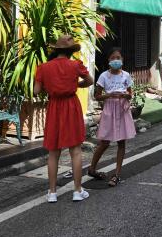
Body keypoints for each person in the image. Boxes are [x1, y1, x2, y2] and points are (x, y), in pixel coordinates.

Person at [34, 34, 94, 203]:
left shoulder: (43, 67)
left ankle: (52, 193)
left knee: (53, 153)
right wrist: (76, 85)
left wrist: (50, 86)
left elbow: (36, 91)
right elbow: (89, 80)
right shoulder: (76, 65)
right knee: (75, 151)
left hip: (54, 107)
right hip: (71, 106)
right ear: (70, 51)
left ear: (56, 50)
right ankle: (77, 191)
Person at [88, 48, 136, 187]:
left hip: (122, 109)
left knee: (121, 142)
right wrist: (109, 95)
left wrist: (125, 96)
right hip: (109, 109)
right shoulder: (103, 76)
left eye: (118, 58)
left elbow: (130, 94)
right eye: (113, 58)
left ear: (122, 60)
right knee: (105, 142)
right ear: (109, 61)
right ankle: (92, 169)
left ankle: (117, 174)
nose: (116, 60)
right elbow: (96, 96)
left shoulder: (126, 75)